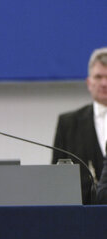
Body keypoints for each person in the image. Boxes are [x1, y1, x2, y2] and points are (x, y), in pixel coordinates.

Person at [52, 47, 107, 204]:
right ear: (89, 83)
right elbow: (55, 178)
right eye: (99, 77)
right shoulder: (68, 123)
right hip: (80, 218)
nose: (104, 83)